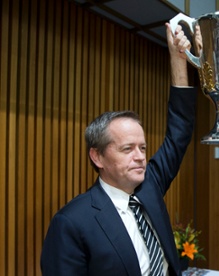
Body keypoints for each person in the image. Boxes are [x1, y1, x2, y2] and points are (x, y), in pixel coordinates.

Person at [41, 24, 196, 276]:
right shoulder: (71, 223)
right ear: (97, 156)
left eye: (142, 147)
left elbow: (179, 133)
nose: (140, 156)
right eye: (127, 149)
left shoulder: (150, 186)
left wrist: (178, 61)